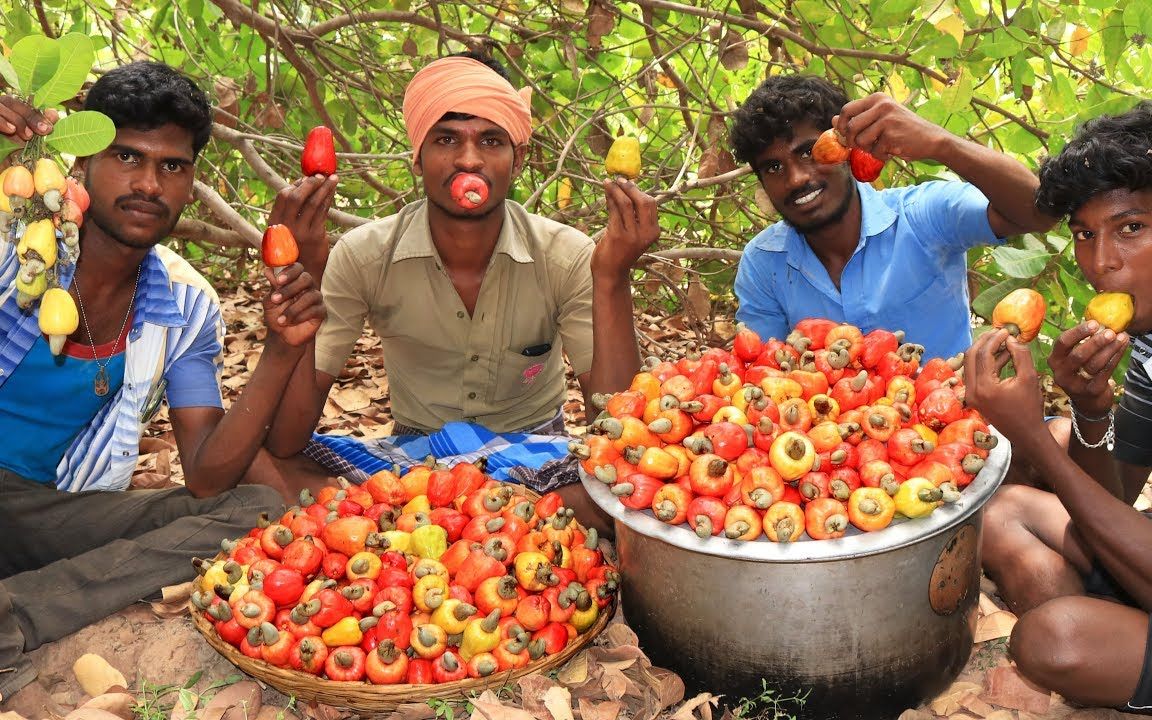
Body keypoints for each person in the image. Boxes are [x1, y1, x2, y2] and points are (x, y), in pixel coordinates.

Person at [0, 62, 325, 702]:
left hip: (40, 511)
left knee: (254, 510)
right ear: (82, 163)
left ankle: (13, 612)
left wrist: (282, 352)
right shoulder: (16, 242)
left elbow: (206, 472)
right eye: (127, 156)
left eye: (172, 166)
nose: (149, 183)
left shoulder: (188, 305)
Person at [262, 53, 658, 527]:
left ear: (519, 159)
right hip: (413, 460)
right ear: (418, 156)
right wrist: (307, 268)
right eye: (446, 138)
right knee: (260, 463)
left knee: (626, 490)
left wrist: (612, 277)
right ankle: (486, 523)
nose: (469, 159)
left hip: (536, 462)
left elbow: (620, 424)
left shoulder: (566, 255)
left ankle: (426, 524)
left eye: (491, 140)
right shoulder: (364, 255)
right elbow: (286, 440)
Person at [964, 103, 1152, 713]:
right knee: (1002, 510)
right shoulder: (1146, 343)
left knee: (1053, 640)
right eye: (1084, 234)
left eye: (1130, 228)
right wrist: (1090, 407)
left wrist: (1037, 439)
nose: (1101, 265)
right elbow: (1118, 506)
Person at [729, 74, 1058, 359]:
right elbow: (764, 372)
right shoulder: (763, 264)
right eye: (773, 167)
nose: (796, 178)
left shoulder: (923, 216)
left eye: (808, 151)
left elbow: (1038, 213)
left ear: (849, 150)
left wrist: (940, 144)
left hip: (956, 425)